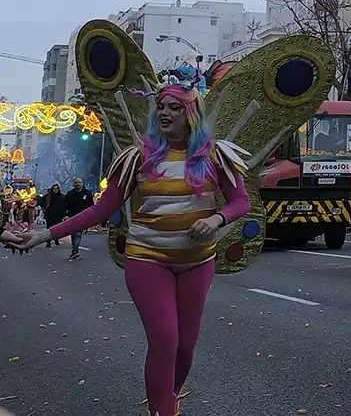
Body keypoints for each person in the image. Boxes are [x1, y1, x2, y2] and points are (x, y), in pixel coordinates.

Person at [11, 81, 251, 416]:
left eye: (174, 107)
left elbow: (241, 202)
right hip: (147, 258)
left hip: (197, 260)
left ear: (191, 113)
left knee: (185, 346)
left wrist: (217, 219)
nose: (165, 113)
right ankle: (161, 410)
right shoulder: (138, 158)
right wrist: (46, 234)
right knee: (165, 339)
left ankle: (168, 398)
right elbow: (99, 210)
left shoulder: (214, 155)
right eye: (162, 107)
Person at [64, 177, 94, 260]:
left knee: (77, 233)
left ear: (82, 183)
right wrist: (66, 215)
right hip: (72, 216)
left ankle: (75, 250)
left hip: (84, 216)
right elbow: (65, 205)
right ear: (74, 184)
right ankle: (75, 251)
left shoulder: (87, 193)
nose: (78, 184)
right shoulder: (70, 194)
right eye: (76, 182)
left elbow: (91, 205)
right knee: (75, 233)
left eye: (79, 182)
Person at [41, 183, 67, 249]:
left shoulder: (62, 196)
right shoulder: (48, 196)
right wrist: (44, 207)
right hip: (49, 215)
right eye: (54, 189)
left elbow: (66, 205)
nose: (55, 190)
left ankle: (56, 238)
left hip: (58, 215)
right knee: (49, 229)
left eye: (57, 189)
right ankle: (48, 242)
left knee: (57, 228)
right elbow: (41, 201)